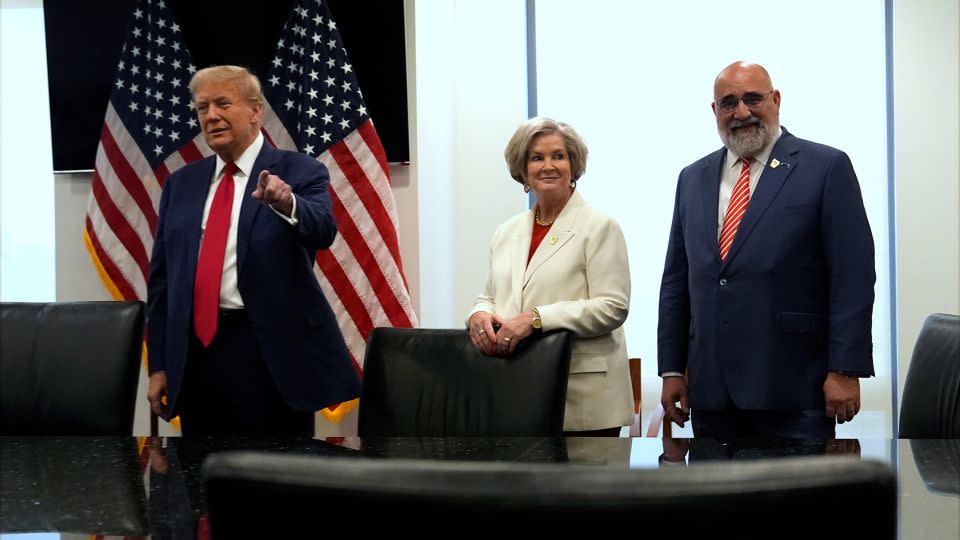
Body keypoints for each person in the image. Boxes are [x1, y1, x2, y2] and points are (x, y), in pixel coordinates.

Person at [657, 61, 875, 440]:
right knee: (715, 499)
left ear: (775, 100)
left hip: (793, 387)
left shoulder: (825, 167)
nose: (741, 112)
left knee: (794, 501)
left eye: (752, 99)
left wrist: (845, 369)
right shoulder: (692, 177)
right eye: (728, 103)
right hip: (711, 392)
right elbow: (677, 280)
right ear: (715, 112)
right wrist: (673, 369)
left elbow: (852, 277)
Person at [146, 65, 360, 435]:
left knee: (275, 484)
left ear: (256, 111)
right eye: (202, 108)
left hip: (271, 357)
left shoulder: (299, 171)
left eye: (223, 103)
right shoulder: (182, 183)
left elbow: (324, 231)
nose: (211, 116)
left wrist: (287, 202)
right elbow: (162, 282)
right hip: (197, 357)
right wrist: (160, 365)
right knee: (201, 480)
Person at [467, 117, 633, 436]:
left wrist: (537, 318)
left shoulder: (599, 227)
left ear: (573, 166)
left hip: (583, 401)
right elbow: (490, 294)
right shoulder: (507, 232)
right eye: (537, 157)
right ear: (523, 170)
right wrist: (478, 314)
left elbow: (613, 306)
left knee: (583, 489)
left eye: (558, 156)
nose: (548, 166)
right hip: (517, 392)